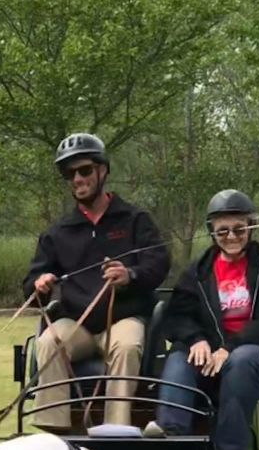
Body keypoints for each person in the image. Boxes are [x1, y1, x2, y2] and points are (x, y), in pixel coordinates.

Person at [145, 189, 259, 450]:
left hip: (257, 351)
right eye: (222, 230)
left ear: (251, 227)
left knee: (240, 361)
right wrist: (196, 339)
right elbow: (178, 313)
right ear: (211, 232)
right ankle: (172, 444)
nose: (231, 236)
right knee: (179, 358)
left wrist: (229, 347)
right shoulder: (199, 270)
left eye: (240, 229)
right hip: (210, 351)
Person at [22, 132, 170, 430]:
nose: (77, 178)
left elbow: (158, 264)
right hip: (77, 324)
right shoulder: (58, 232)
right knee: (49, 342)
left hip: (124, 318)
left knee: (127, 346)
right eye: (69, 173)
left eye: (85, 170)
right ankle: (56, 435)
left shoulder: (135, 219)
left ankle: (116, 433)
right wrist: (40, 284)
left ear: (103, 170)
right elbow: (30, 287)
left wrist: (130, 275)